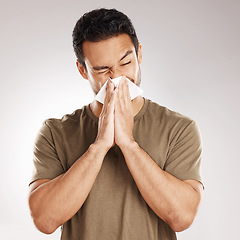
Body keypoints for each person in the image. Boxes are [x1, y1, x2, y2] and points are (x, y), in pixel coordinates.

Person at [28, 8, 203, 240]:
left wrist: (129, 144)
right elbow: (44, 220)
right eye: (102, 70)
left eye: (126, 62)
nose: (118, 77)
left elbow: (182, 218)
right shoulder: (55, 132)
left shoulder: (179, 129)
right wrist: (99, 145)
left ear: (139, 55)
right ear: (83, 70)